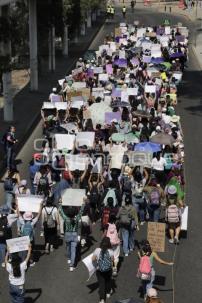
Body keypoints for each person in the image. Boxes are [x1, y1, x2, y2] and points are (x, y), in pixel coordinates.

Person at [59, 199, 85, 271]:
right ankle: (71, 266)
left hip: (67, 234)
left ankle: (69, 258)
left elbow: (61, 212)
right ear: (74, 213)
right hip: (74, 234)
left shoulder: (66, 219)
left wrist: (60, 203)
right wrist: (83, 203)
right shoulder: (76, 219)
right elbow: (81, 212)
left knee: (68, 247)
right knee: (74, 250)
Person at [92, 237, 114, 303]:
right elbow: (112, 260)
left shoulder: (97, 250)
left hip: (100, 270)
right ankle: (108, 293)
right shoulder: (110, 251)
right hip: (108, 269)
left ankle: (102, 299)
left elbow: (93, 259)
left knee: (101, 284)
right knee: (108, 281)